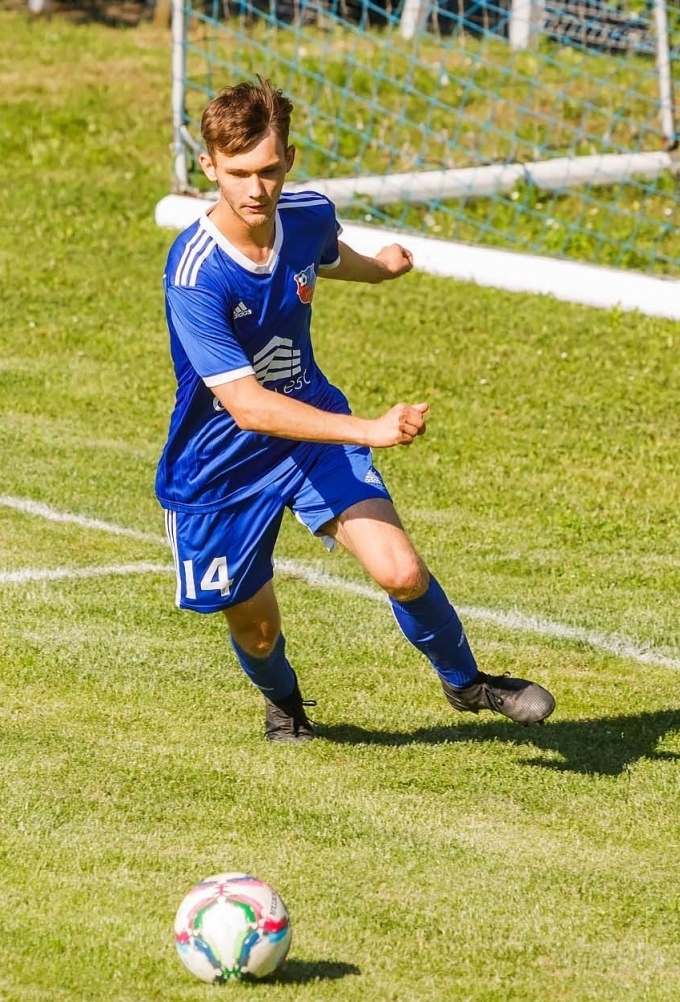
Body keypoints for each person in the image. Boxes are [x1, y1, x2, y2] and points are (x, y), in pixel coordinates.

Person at [157, 77, 555, 742]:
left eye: (270, 170)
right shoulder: (196, 273)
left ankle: (468, 682)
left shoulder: (306, 213)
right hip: (219, 467)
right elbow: (249, 406)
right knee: (255, 631)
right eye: (238, 174)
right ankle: (284, 703)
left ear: (289, 160)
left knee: (401, 569)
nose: (257, 190)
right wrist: (368, 428)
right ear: (208, 167)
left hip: (310, 432)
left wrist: (380, 268)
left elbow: (323, 256)